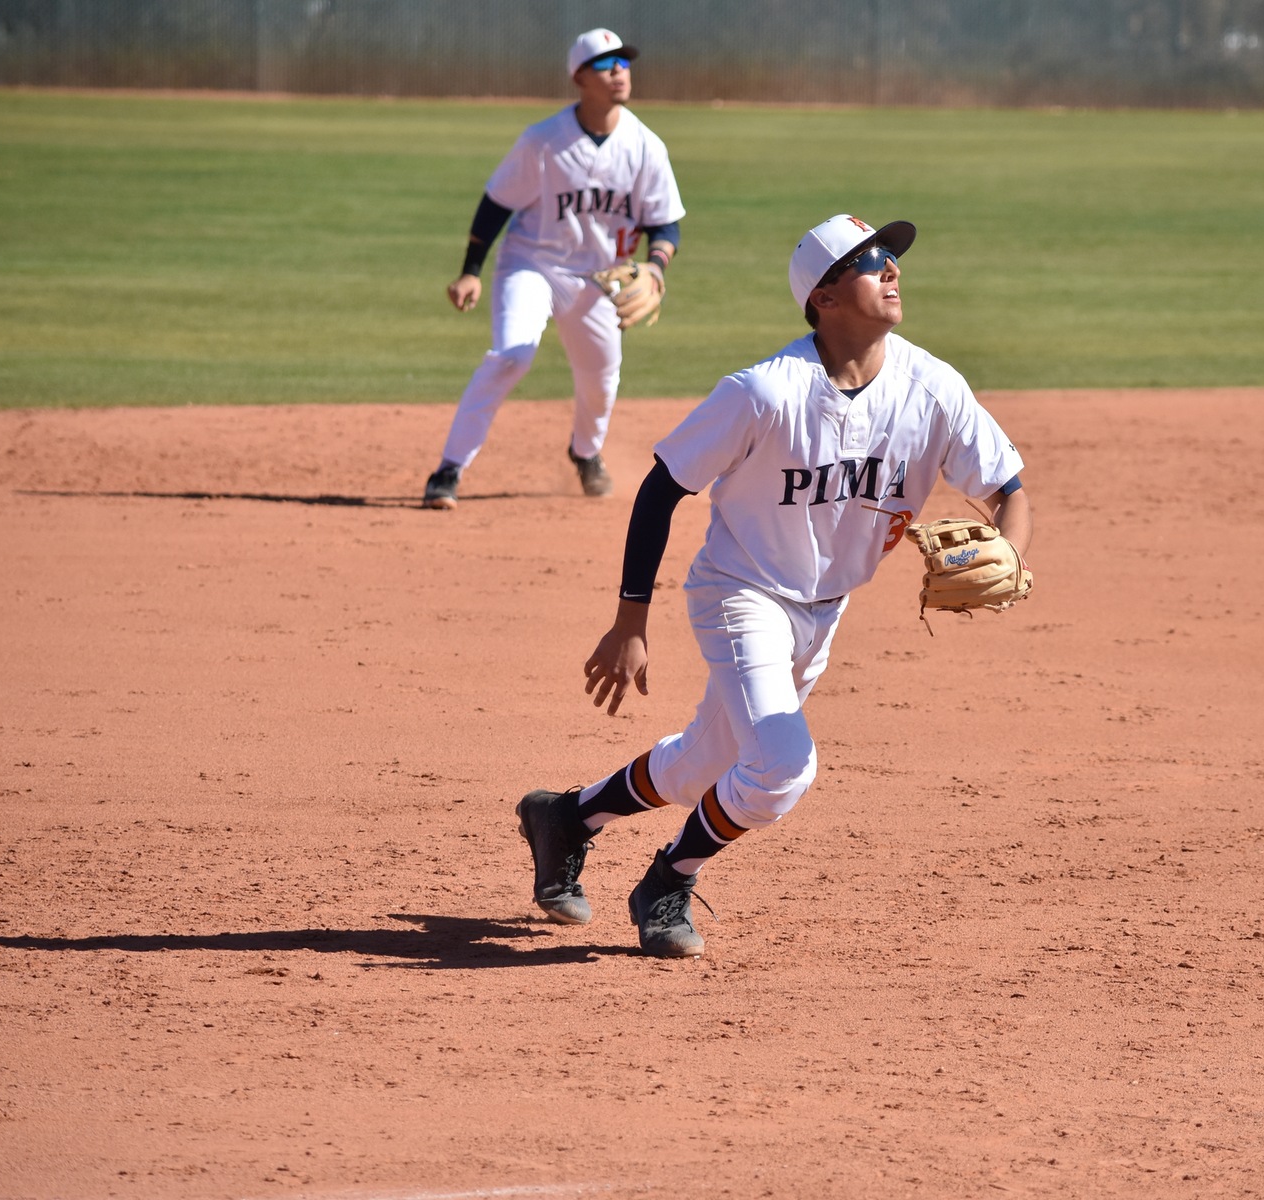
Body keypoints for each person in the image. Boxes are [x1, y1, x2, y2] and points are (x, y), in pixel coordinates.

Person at [516, 214, 1034, 957]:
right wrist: (631, 621)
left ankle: (566, 817)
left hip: (823, 613)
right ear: (821, 296)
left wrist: (1010, 554)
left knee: (706, 764)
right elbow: (663, 490)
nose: (892, 269)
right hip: (742, 592)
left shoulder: (934, 389)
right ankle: (668, 880)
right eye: (870, 260)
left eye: (894, 258)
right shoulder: (763, 392)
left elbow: (1009, 487)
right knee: (783, 766)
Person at [423, 28, 685, 508]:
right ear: (580, 76)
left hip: (601, 281)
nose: (620, 71)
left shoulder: (646, 146)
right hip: (533, 265)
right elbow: (496, 206)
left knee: (601, 382)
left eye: (624, 62)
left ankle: (585, 455)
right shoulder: (543, 141)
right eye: (607, 64)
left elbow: (665, 225)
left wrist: (655, 268)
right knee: (511, 355)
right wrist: (470, 271)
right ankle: (448, 469)